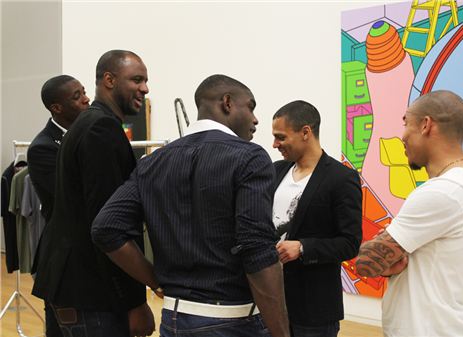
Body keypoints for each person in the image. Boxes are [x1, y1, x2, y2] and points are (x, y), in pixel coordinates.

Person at [91, 74, 290, 337]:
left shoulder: (153, 162)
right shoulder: (249, 156)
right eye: (251, 107)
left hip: (174, 319)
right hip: (231, 321)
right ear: (227, 103)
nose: (255, 119)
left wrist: (156, 281)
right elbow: (256, 248)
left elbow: (106, 227)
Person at [31, 50, 155, 337]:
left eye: (146, 81)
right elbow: (108, 226)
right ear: (109, 80)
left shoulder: (88, 124)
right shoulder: (100, 128)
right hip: (92, 292)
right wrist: (137, 298)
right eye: (136, 79)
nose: (145, 88)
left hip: (75, 286)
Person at [356, 90, 463, 337]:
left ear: (426, 125)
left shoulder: (443, 192)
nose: (402, 136)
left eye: (406, 123)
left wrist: (381, 254)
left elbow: (364, 264)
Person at [271, 100, 362, 337]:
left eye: (280, 137)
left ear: (305, 132)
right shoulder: (275, 171)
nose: (275, 144)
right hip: (270, 302)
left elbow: (350, 243)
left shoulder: (342, 178)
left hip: (314, 310)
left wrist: (303, 247)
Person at [27, 75, 89, 337]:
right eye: (77, 96)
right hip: (64, 258)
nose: (86, 99)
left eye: (84, 92)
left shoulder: (89, 134)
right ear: (57, 108)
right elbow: (73, 199)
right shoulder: (42, 148)